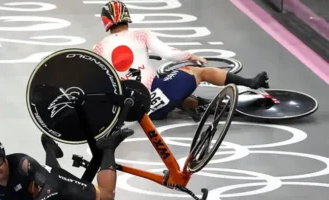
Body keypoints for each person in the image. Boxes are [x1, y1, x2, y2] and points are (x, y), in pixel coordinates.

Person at [92, 0, 270, 121]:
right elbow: (169, 54)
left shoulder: (98, 48)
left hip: (135, 112)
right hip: (157, 95)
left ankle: (199, 105)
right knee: (199, 73)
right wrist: (191, 57)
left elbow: (97, 83)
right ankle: (250, 83)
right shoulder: (140, 35)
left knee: (170, 90)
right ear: (126, 17)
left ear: (105, 22)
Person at [0, 128, 134, 200]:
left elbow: (54, 185)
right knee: (45, 178)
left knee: (106, 199)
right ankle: (49, 145)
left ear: (4, 157)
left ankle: (109, 147)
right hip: (44, 194)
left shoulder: (23, 163)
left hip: (57, 186)